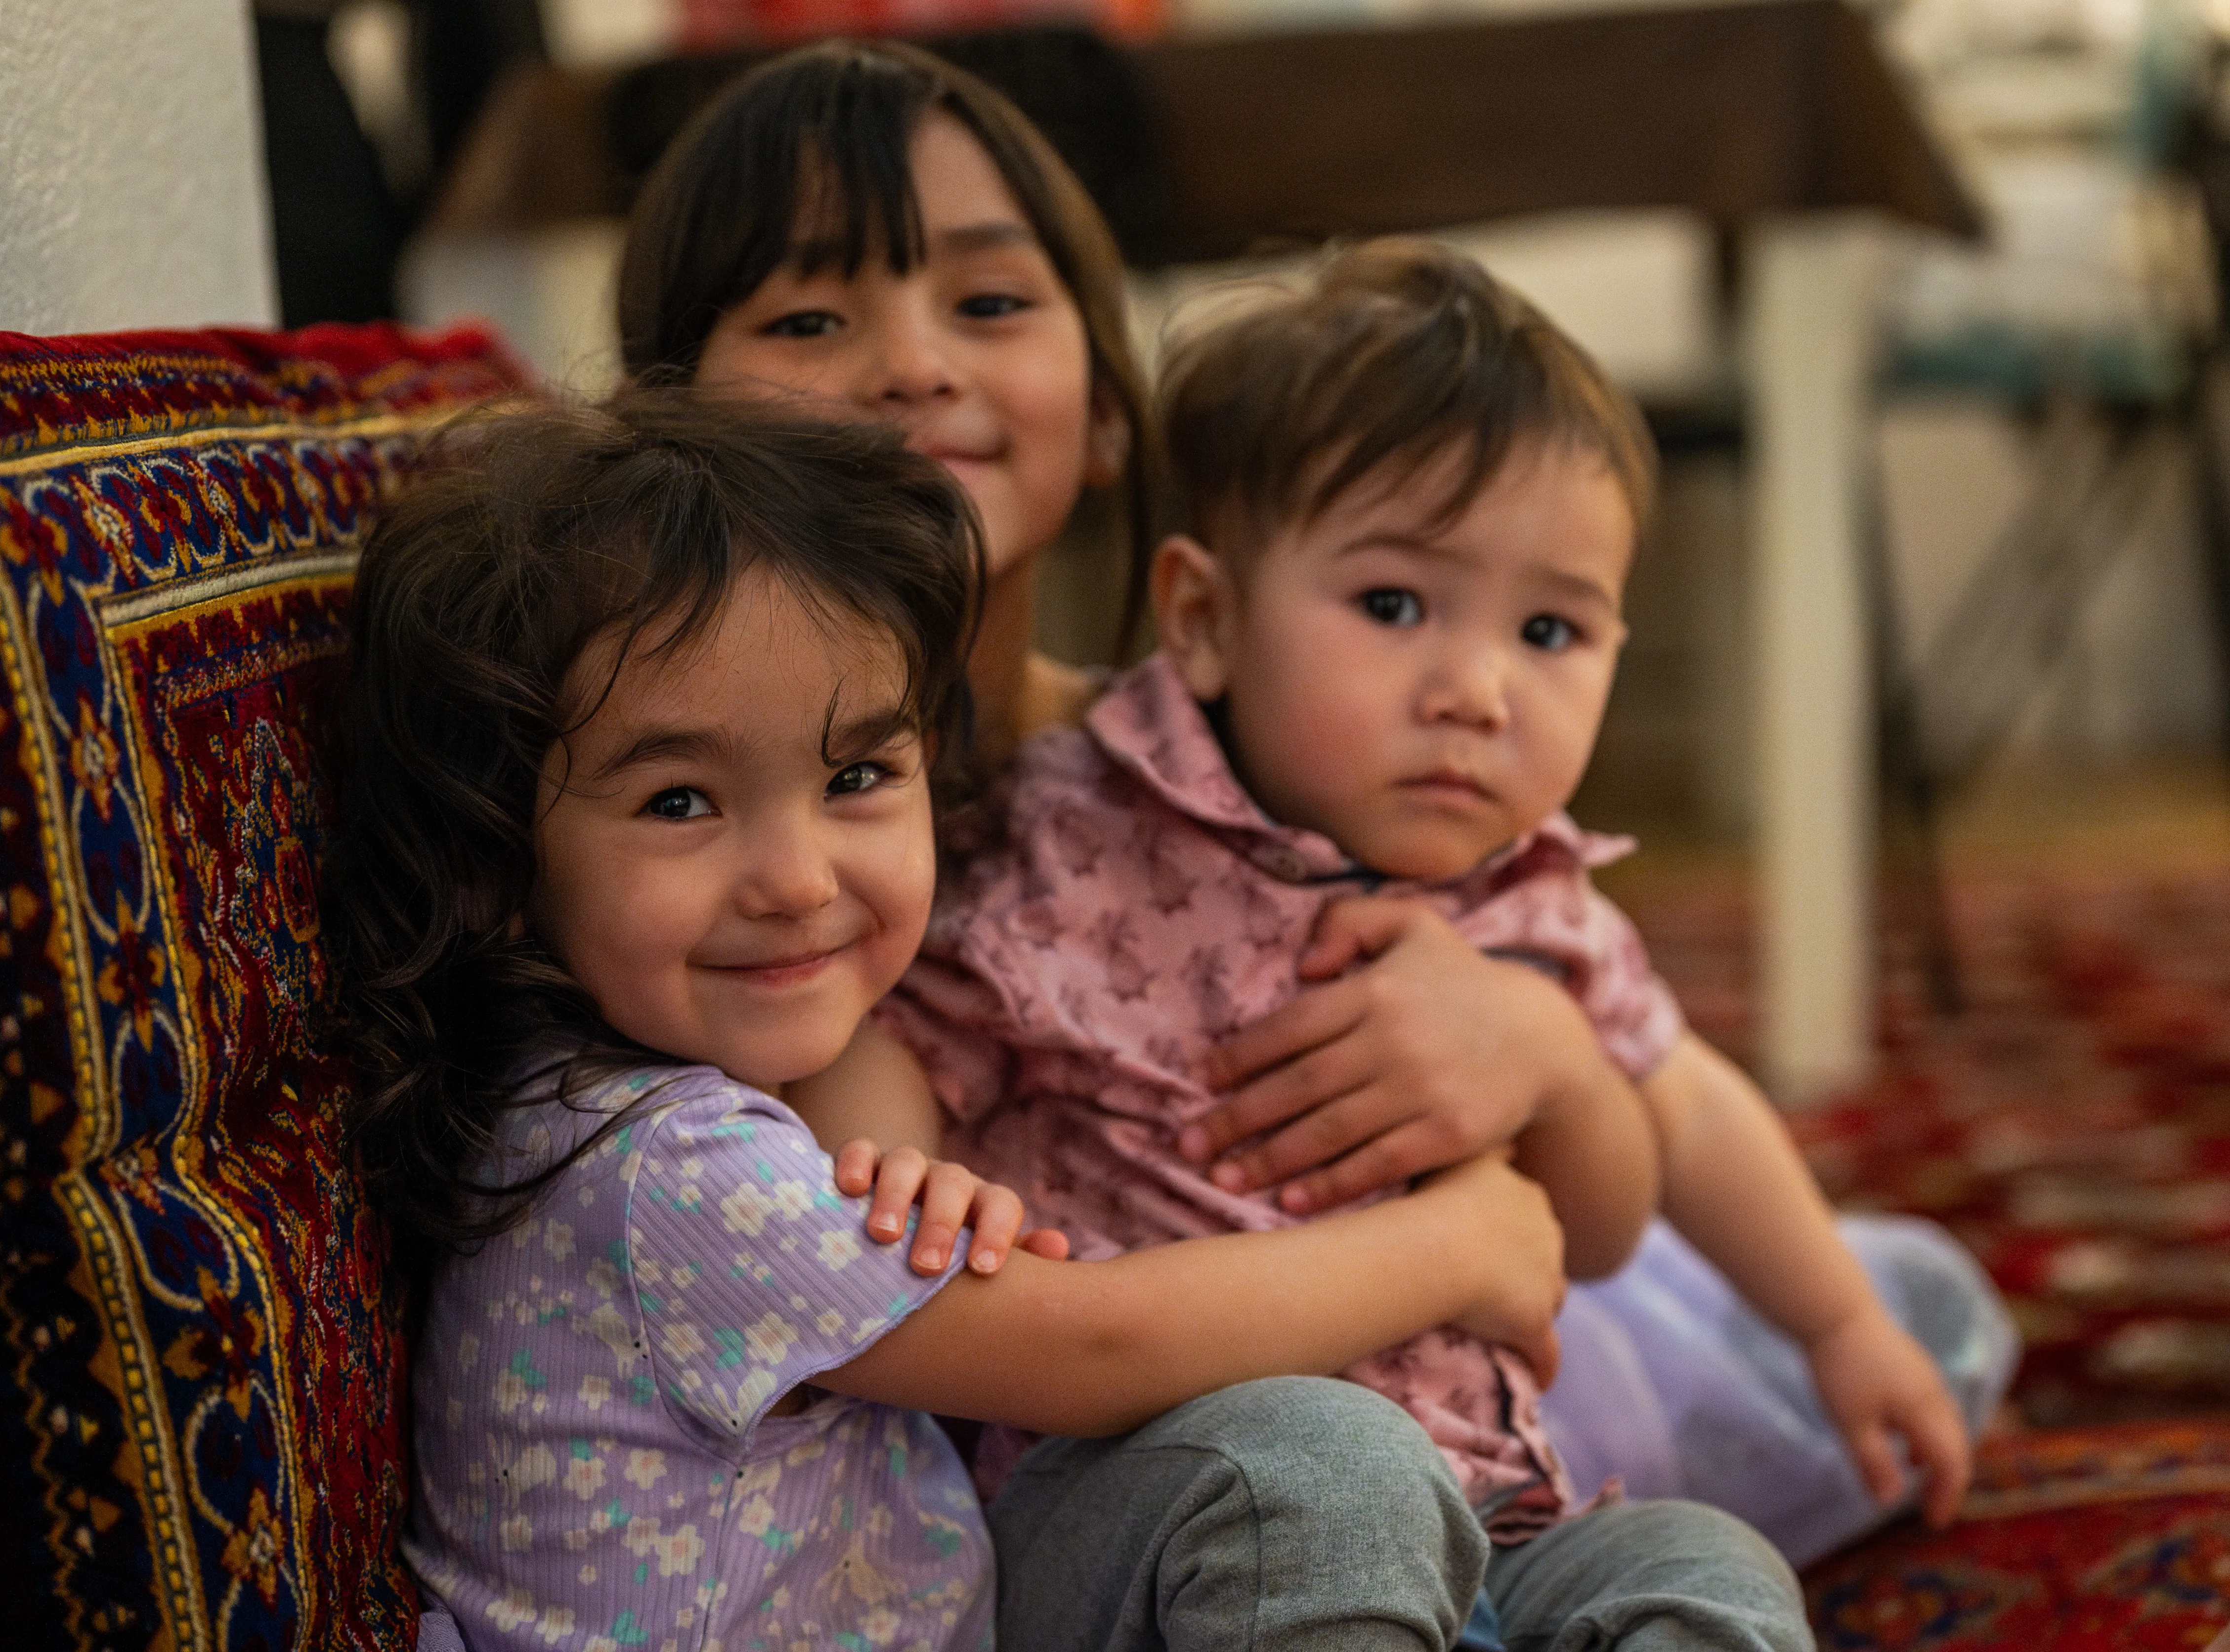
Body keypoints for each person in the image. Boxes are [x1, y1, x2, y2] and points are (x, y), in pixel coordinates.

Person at [612, 35, 2008, 1567]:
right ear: (668, 413)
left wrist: (1536, 1046)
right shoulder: (757, 834)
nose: (912, 365)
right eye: (810, 316)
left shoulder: (1233, 748)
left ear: (1109, 411)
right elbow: (897, 1153)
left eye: (991, 301)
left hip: (1462, 1329)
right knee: (1355, 1473)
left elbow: (1611, 1150)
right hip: (1165, 1405)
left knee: (1912, 1306)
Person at [330, 393, 1805, 1651]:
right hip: (1093, 1533)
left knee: (1707, 1568)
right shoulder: (664, 1174)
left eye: (856, 778)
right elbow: (1093, 1349)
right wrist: (1457, 1243)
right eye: (678, 801)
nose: (797, 879)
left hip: (1303, 1521)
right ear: (502, 859)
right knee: (1316, 1468)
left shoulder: (677, 1122)